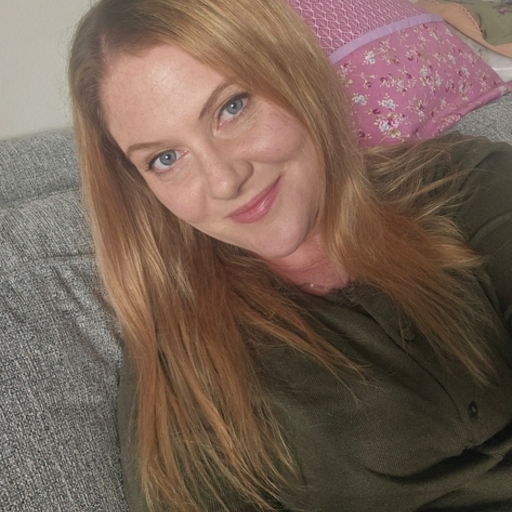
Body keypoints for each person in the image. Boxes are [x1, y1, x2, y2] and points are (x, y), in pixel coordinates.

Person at [68, 0, 512, 510]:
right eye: (166, 158)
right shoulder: (183, 365)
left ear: (296, 74)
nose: (224, 180)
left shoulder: (462, 182)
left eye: (231, 108)